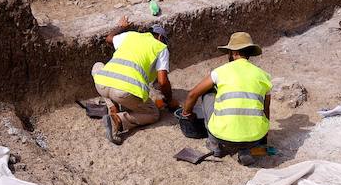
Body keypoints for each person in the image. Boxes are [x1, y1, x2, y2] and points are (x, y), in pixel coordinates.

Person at [180, 32, 272, 166]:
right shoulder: (264, 76)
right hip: (255, 137)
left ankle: (214, 145)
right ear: (249, 53)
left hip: (222, 135)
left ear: (233, 53)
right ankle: (245, 151)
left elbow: (192, 94)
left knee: (208, 92)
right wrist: (262, 137)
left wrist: (186, 112)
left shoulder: (220, 71)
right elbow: (266, 109)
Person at [92, 21, 174, 145]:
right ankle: (117, 120)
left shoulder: (131, 35)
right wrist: (169, 100)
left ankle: (111, 105)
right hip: (122, 92)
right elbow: (163, 81)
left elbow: (108, 39)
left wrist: (121, 27)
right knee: (153, 113)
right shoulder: (161, 47)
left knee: (98, 66)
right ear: (161, 37)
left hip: (102, 85)